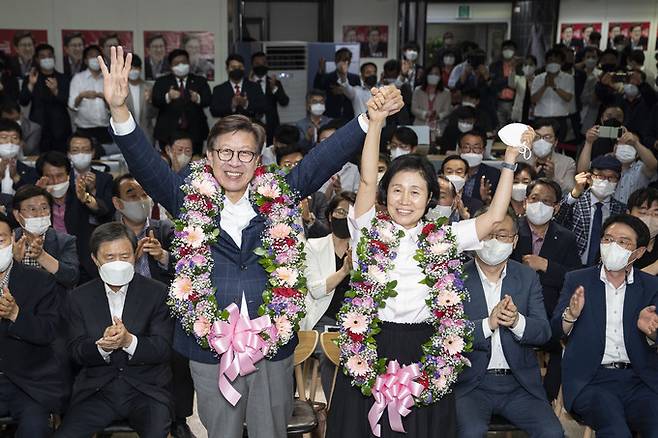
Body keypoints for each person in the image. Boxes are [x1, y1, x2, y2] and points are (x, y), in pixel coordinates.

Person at [99, 46, 404, 438]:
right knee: (221, 432)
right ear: (209, 157)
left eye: (245, 153)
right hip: (209, 347)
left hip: (272, 348)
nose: (234, 161)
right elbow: (144, 163)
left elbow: (322, 158)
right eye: (225, 152)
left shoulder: (280, 192)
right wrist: (120, 110)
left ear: (259, 161)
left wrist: (368, 118)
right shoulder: (186, 196)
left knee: (270, 432)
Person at [326, 81, 532, 438]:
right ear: (384, 194)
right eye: (397, 190)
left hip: (426, 351)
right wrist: (375, 123)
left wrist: (509, 162)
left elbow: (495, 216)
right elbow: (366, 179)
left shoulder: (445, 237)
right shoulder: (367, 227)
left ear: (430, 200)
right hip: (369, 346)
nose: (404, 200)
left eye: (415, 192)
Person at [56, 222, 174, 438]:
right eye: (109, 258)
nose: (118, 263)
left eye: (125, 256)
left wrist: (129, 341)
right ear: (95, 259)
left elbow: (163, 348)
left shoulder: (157, 293)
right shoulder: (78, 297)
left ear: (136, 255)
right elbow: (75, 350)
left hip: (146, 390)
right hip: (96, 390)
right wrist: (102, 347)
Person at [456, 207, 563, 437]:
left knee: (552, 432)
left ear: (514, 242)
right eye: (488, 234)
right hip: (473, 385)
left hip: (519, 385)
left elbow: (543, 331)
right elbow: (447, 334)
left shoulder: (526, 277)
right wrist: (488, 324)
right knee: (470, 431)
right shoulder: (456, 277)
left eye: (502, 235)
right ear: (476, 236)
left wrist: (517, 322)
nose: (494, 241)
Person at [553, 214, 658, 437]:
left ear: (638, 252)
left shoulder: (651, 286)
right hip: (591, 380)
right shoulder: (577, 280)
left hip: (639, 380)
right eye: (608, 239)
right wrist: (570, 315)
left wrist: (651, 332)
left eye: (623, 242)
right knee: (615, 428)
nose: (613, 246)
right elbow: (552, 331)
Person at [510, 178, 581, 400]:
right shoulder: (509, 230)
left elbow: (575, 277)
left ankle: (545, 399)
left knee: (568, 346)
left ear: (557, 207)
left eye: (547, 201)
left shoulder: (566, 237)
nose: (540, 204)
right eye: (534, 199)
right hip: (513, 311)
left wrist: (547, 266)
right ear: (524, 203)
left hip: (550, 313)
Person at [0, 212, 66, 438]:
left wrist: (17, 314)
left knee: (35, 429)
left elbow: (49, 332)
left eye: (1, 240)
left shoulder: (40, 280)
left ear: (13, 240)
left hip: (28, 383)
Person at [300, 191, 355, 396]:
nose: (345, 217)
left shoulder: (363, 248)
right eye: (341, 212)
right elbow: (315, 290)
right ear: (331, 215)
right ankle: (333, 409)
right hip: (323, 320)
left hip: (354, 322)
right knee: (332, 353)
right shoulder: (314, 246)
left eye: (351, 214)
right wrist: (344, 271)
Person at [35, 150, 112, 282]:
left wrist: (86, 198)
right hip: (50, 261)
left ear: (68, 175)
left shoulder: (78, 193)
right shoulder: (38, 199)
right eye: (49, 177)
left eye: (59, 176)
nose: (55, 181)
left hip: (84, 262)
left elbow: (103, 212)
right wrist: (36, 196)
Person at [555, 155, 627, 266]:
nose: (605, 181)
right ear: (590, 177)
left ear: (618, 180)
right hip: (571, 265)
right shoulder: (575, 201)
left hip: (604, 268)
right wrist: (575, 192)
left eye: (611, 178)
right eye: (600, 176)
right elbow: (557, 220)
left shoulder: (621, 210)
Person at [12, 185, 80, 289]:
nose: (39, 214)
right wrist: (13, 260)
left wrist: (42, 256)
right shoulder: (8, 240)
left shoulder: (64, 241)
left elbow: (72, 278)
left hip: (52, 301)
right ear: (17, 214)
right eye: (32, 209)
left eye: (44, 208)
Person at [152, 49, 211, 155]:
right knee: (168, 164)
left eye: (184, 62)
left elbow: (208, 100)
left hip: (195, 132)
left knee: (194, 164)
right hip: (168, 132)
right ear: (170, 66)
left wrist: (197, 98)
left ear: (189, 63)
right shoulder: (162, 81)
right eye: (176, 63)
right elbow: (155, 101)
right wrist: (168, 96)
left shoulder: (199, 80)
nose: (181, 65)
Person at [578, 127, 657, 204]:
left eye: (631, 145)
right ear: (615, 147)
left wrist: (636, 143)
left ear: (638, 154)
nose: (626, 147)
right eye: (623, 143)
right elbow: (582, 171)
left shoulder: (641, 168)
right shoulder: (603, 162)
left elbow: (653, 165)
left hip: (631, 215)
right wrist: (589, 142)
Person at [18, 43, 71, 153]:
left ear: (54, 58)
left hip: (60, 128)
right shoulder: (31, 78)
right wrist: (31, 85)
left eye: (49, 56)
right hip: (38, 128)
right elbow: (23, 102)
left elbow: (70, 103)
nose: (47, 59)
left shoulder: (63, 78)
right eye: (43, 56)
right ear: (37, 59)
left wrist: (56, 91)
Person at [275, 144, 330, 238]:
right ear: (279, 168)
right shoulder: (271, 198)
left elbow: (326, 234)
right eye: (287, 165)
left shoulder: (318, 198)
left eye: (298, 164)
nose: (293, 168)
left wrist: (308, 218)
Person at [68, 45, 112, 145]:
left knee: (106, 156)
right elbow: (72, 106)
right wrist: (81, 96)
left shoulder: (108, 78)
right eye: (91, 56)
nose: (95, 59)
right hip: (84, 129)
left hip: (105, 128)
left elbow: (114, 107)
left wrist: (105, 98)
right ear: (85, 60)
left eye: (97, 56)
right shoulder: (78, 79)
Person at [518, 118, 576, 193]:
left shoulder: (568, 163)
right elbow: (513, 189)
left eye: (547, 137)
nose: (541, 141)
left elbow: (571, 191)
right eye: (537, 137)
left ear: (555, 142)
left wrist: (553, 178)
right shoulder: (520, 158)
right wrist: (530, 176)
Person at [531, 48, 574, 141]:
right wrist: (545, 86)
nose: (553, 63)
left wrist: (555, 87)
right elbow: (533, 100)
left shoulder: (568, 78)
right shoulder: (538, 78)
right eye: (550, 60)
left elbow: (568, 98)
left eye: (556, 60)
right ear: (546, 63)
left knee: (558, 145)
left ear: (562, 63)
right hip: (541, 118)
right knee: (539, 145)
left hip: (560, 119)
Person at [210, 53, 266, 123]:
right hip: (228, 129)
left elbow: (263, 107)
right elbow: (214, 111)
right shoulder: (219, 89)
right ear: (227, 69)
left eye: (240, 67)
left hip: (250, 128)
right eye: (233, 67)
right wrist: (231, 105)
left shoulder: (255, 87)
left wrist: (246, 104)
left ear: (244, 68)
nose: (237, 70)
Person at [251, 51, 289, 145]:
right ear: (252, 65)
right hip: (251, 126)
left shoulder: (274, 83)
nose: (261, 66)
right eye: (257, 64)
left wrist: (274, 89)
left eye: (264, 63)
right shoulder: (247, 83)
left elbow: (284, 101)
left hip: (272, 127)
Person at [313, 48, 360, 120]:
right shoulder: (327, 77)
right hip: (330, 115)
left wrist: (344, 91)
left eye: (346, 59)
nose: (343, 62)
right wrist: (320, 70)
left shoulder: (355, 78)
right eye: (340, 59)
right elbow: (316, 89)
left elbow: (358, 97)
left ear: (349, 62)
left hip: (349, 116)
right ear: (335, 61)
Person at [319, 121, 361, 199]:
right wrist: (329, 191)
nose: (329, 145)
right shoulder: (313, 170)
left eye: (333, 140)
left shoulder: (354, 170)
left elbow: (358, 201)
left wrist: (340, 192)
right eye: (324, 141)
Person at [458, 129, 500, 204]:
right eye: (466, 147)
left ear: (483, 151)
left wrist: (487, 200)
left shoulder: (494, 175)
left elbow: (500, 205)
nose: (471, 151)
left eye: (476, 148)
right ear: (460, 150)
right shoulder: (449, 171)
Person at [0, 118, 38, 195]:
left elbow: (32, 198)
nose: (10, 142)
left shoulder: (30, 171)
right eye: (4, 137)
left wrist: (16, 178)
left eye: (15, 138)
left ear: (21, 143)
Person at [125, 54, 157, 145]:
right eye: (130, 68)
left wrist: (150, 100)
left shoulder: (149, 87)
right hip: (127, 134)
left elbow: (154, 113)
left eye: (136, 68)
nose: (133, 71)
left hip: (146, 133)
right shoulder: (120, 88)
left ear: (140, 69)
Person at [626, 188, 658, 273]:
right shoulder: (617, 243)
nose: (649, 218)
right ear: (628, 214)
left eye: (656, 214)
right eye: (643, 213)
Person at [411, 64, 451, 130]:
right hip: (420, 126)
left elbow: (447, 110)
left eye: (436, 74)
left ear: (440, 76)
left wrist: (438, 116)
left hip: (439, 128)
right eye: (431, 73)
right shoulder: (418, 91)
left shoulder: (446, 93)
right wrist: (426, 114)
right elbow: (414, 109)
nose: (433, 76)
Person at [489, 39, 519, 127]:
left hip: (515, 102)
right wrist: (509, 80)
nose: (508, 51)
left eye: (510, 49)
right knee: (500, 129)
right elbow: (493, 82)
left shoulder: (519, 66)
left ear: (515, 51)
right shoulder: (494, 66)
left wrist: (504, 80)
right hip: (498, 101)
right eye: (506, 48)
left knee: (513, 129)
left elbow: (519, 83)